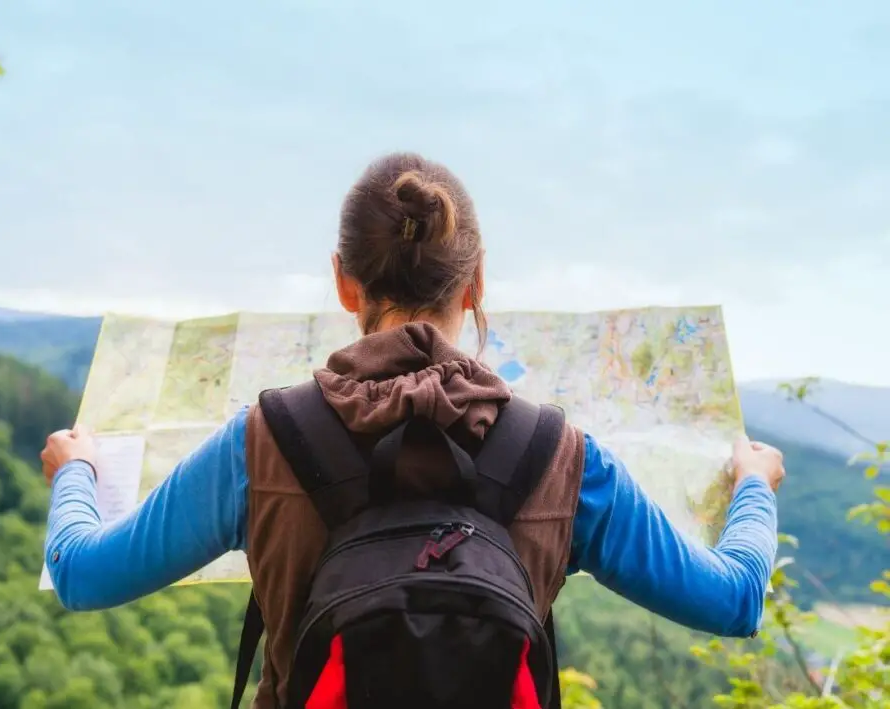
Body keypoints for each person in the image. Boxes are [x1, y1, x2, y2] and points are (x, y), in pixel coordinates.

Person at [41, 152, 784, 709]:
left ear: (343, 280)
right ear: (477, 283)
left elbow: (82, 571)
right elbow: (734, 598)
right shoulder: (563, 459)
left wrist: (76, 468)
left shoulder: (263, 442)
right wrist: (752, 485)